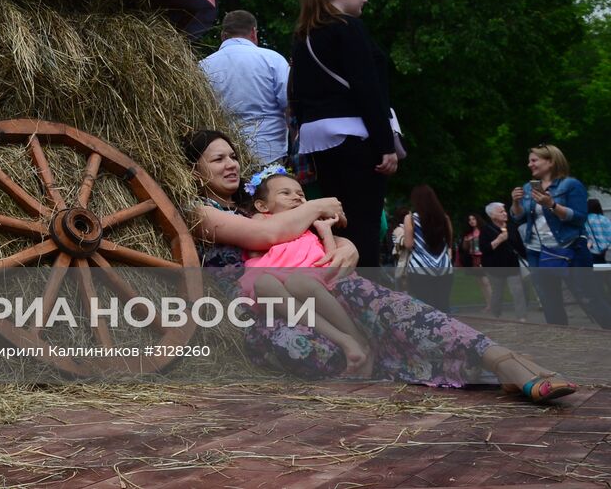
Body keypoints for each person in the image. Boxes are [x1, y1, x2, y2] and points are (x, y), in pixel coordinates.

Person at [186, 129, 575, 401]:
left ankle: (502, 360)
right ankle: (484, 367)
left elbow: (300, 236)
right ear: (194, 168)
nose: (232, 163)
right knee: (333, 349)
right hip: (268, 314)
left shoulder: (260, 205)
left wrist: (344, 244)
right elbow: (266, 238)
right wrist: (318, 205)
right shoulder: (200, 212)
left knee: (391, 311)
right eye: (218, 158)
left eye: (234, 155)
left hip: (318, 292)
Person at [289, 0, 399, 268]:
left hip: (318, 141)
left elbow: (295, 94)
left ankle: (342, 288)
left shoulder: (303, 36)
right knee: (365, 223)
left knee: (340, 219)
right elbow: (368, 89)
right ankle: (367, 297)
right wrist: (385, 144)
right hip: (356, 137)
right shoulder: (349, 28)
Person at [237, 169, 371, 375]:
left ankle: (358, 341)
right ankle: (344, 340)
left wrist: (325, 230)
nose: (297, 197)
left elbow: (329, 256)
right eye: (286, 193)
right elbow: (257, 243)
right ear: (263, 206)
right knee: (263, 284)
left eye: (300, 194)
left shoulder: (309, 227)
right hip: (273, 274)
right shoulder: (262, 220)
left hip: (308, 275)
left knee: (300, 282)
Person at [510, 144, 611, 328]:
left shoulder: (571, 185)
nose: (529, 164)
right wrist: (516, 203)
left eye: (534, 160)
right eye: (529, 161)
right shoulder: (528, 187)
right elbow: (518, 217)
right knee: (550, 302)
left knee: (588, 297)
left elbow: (579, 218)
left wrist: (552, 205)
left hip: (570, 248)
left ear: (550, 161)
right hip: (537, 251)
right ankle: (562, 341)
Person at [199, 10, 290, 164]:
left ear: (223, 35)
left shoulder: (203, 66)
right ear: (254, 32)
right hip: (269, 151)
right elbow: (289, 103)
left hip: (223, 154)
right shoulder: (272, 59)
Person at [402, 185, 454, 312]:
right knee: (443, 305)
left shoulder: (411, 218)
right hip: (444, 267)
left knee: (424, 307)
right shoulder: (444, 218)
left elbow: (408, 244)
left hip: (420, 267)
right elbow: (449, 240)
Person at [480, 201, 528, 322]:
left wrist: (528, 258)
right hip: (495, 267)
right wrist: (499, 240)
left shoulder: (511, 227)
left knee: (518, 291)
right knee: (498, 293)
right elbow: (484, 249)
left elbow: (519, 246)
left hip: (512, 264)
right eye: (501, 211)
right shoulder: (486, 229)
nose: (505, 213)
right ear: (492, 215)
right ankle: (496, 314)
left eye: (505, 211)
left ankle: (521, 317)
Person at [459, 212, 493, 313]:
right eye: (470, 220)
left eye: (473, 219)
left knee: (486, 282)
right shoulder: (468, 234)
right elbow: (465, 249)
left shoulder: (484, 231)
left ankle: (493, 304)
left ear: (477, 219)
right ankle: (488, 304)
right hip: (474, 259)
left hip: (484, 257)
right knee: (481, 283)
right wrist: (466, 240)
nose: (472, 221)